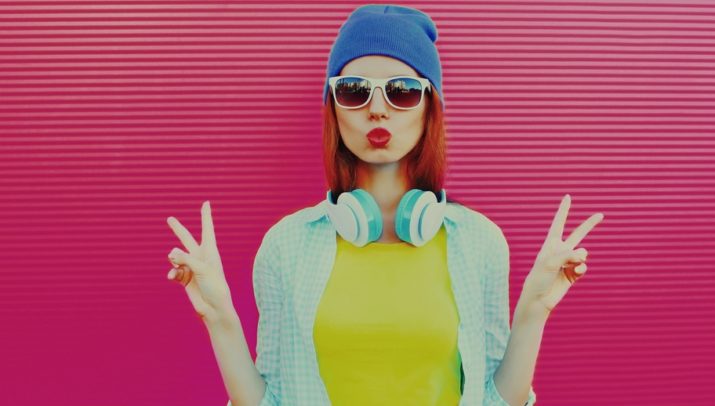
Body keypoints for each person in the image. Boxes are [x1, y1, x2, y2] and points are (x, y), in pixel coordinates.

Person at [165, 4, 603, 406]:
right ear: (334, 109)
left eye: (403, 91)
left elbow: (492, 400)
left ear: (430, 107)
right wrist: (220, 317)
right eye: (355, 91)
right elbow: (272, 400)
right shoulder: (285, 246)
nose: (378, 110)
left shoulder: (479, 243)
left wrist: (534, 310)